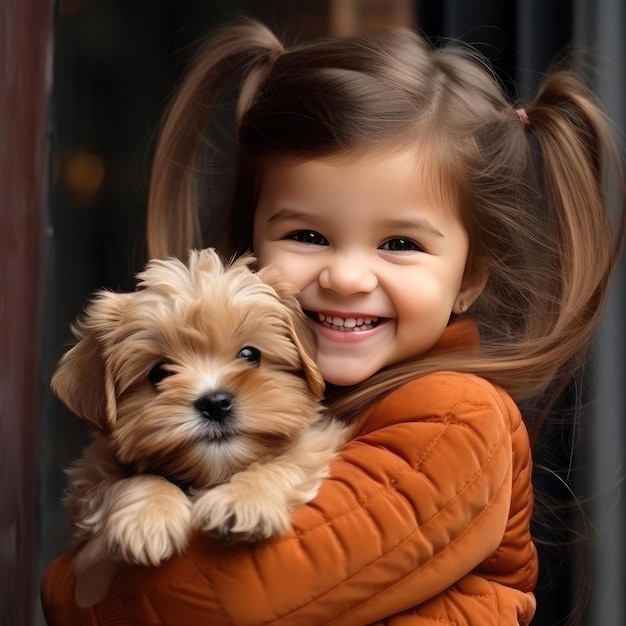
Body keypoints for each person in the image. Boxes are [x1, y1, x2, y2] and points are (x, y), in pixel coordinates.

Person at [41, 19, 624, 625]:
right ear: (251, 252)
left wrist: (70, 587)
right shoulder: (328, 401)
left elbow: (221, 602)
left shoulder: (453, 418)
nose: (347, 277)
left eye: (399, 242)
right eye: (309, 235)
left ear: (470, 278)